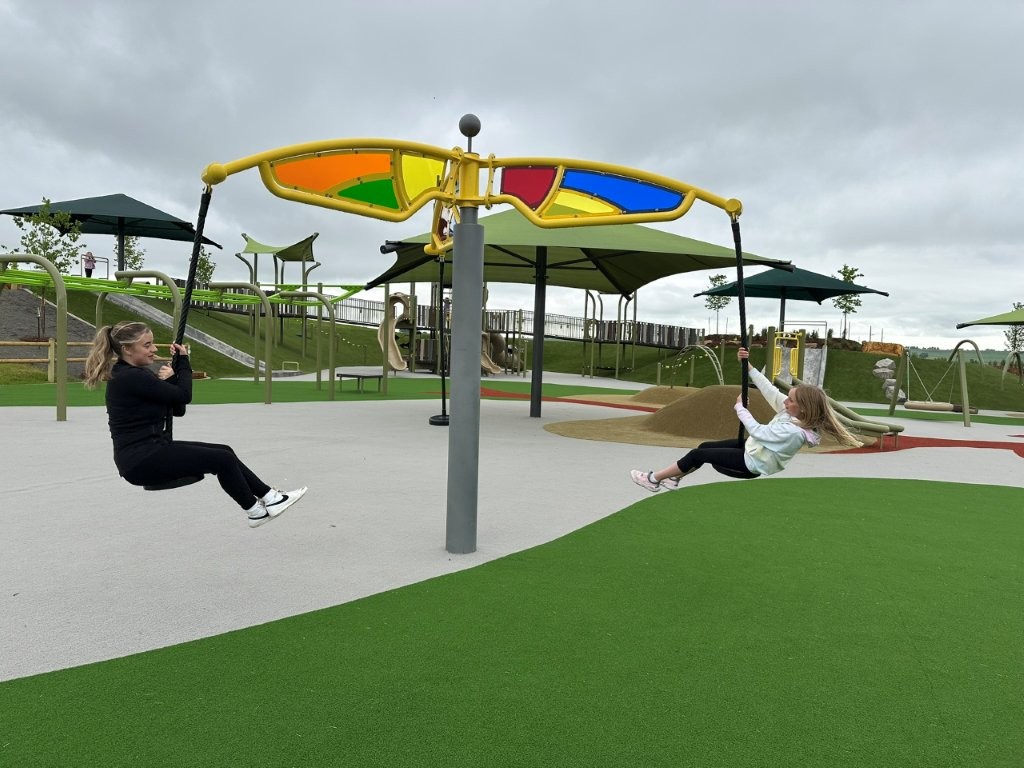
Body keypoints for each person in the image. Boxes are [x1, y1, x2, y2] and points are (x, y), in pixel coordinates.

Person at [83, 321, 306, 527]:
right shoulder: (130, 377)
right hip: (141, 460)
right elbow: (184, 396)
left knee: (224, 451)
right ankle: (255, 511)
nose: (154, 349)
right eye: (147, 345)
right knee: (222, 459)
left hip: (149, 453)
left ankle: (271, 498)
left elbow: (178, 409)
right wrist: (184, 365)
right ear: (127, 349)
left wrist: (172, 378)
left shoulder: (137, 375)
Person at [630, 347, 861, 492]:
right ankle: (674, 479)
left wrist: (740, 408)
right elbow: (769, 390)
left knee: (698, 455)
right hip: (753, 449)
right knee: (703, 447)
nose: (785, 402)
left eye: (790, 400)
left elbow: (759, 432)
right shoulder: (791, 412)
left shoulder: (794, 433)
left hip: (749, 464)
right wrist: (748, 366)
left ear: (804, 409)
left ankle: (653, 479)